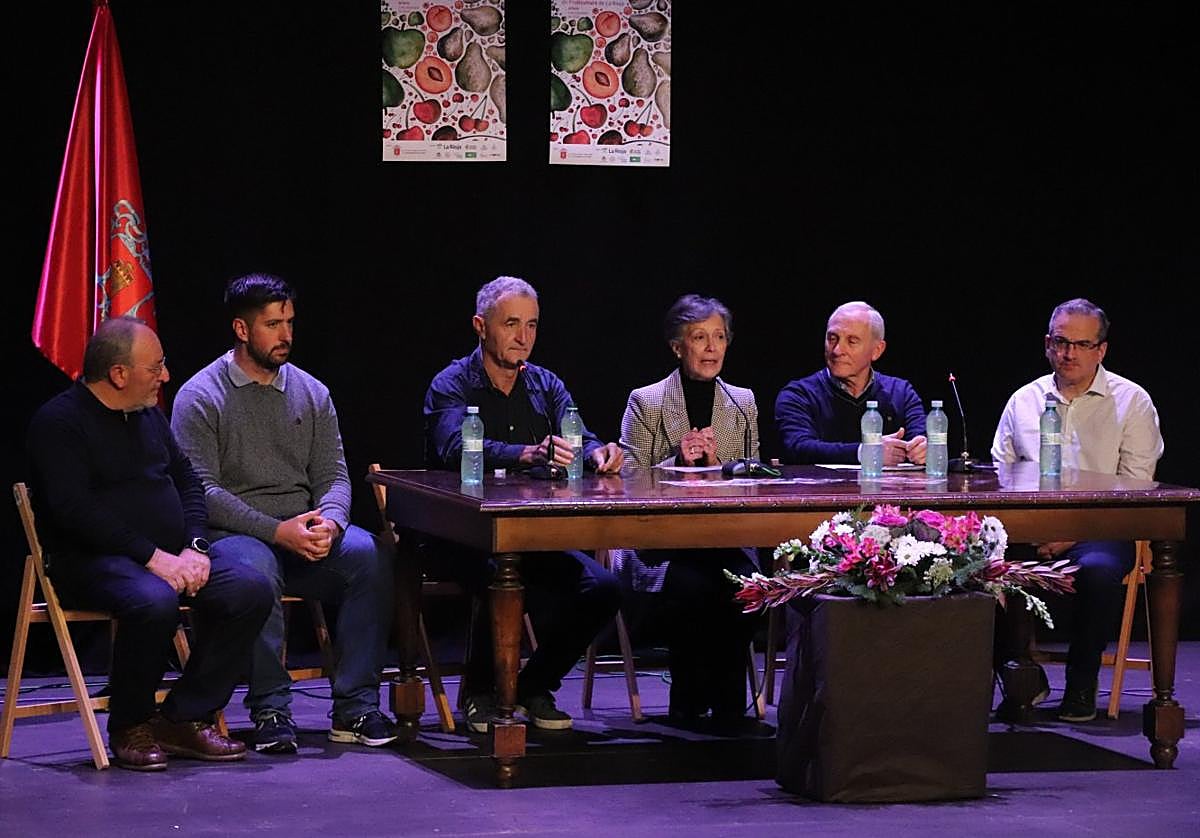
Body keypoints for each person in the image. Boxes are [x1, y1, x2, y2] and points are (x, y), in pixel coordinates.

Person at [26, 317, 273, 771]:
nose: (166, 376)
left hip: (169, 556)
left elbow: (189, 482)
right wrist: (152, 557)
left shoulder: (149, 417)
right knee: (154, 600)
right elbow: (75, 512)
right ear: (119, 374)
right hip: (91, 560)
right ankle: (130, 724)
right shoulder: (59, 423)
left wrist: (195, 547)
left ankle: (183, 716)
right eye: (155, 367)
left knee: (251, 589)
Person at [172, 274, 397, 753]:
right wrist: (276, 531)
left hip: (303, 530)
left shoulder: (312, 393)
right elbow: (203, 492)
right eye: (272, 324)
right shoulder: (200, 396)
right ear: (241, 329)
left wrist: (331, 521)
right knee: (256, 571)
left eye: (289, 322)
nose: (286, 335)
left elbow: (335, 474)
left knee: (371, 557)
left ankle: (356, 707)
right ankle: (271, 709)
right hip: (235, 536)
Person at [421, 275, 623, 733]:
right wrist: (524, 454)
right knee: (506, 576)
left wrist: (598, 452)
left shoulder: (545, 385)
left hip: (527, 534)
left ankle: (532, 687)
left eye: (531, 325)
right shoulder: (452, 384)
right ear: (481, 326)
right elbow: (453, 447)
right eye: (511, 324)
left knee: (602, 588)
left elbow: (581, 434)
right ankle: (481, 693)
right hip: (458, 534)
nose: (523, 337)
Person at [992, 297, 1163, 722]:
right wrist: (1033, 530)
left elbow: (1135, 489)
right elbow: (999, 478)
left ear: (1101, 350)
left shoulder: (1131, 401)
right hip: (1028, 528)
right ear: (1047, 344)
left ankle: (1082, 683)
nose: (1069, 353)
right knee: (973, 568)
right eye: (1061, 342)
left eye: (1082, 344)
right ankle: (1019, 675)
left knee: (1099, 571)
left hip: (1102, 529)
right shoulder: (1024, 400)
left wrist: (1070, 533)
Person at [617, 294, 763, 731]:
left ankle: (729, 706)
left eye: (719, 337)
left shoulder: (742, 402)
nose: (712, 347)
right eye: (700, 338)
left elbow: (754, 478)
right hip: (660, 546)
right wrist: (675, 462)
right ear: (677, 347)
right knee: (693, 586)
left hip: (724, 539)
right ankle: (687, 702)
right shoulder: (646, 401)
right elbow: (626, 481)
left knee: (748, 584)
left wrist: (722, 468)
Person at [775, 301, 927, 466]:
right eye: (832, 339)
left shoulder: (901, 393)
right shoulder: (798, 395)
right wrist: (864, 453)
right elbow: (797, 448)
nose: (837, 350)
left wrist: (922, 450)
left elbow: (921, 438)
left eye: (852, 341)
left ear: (877, 350)